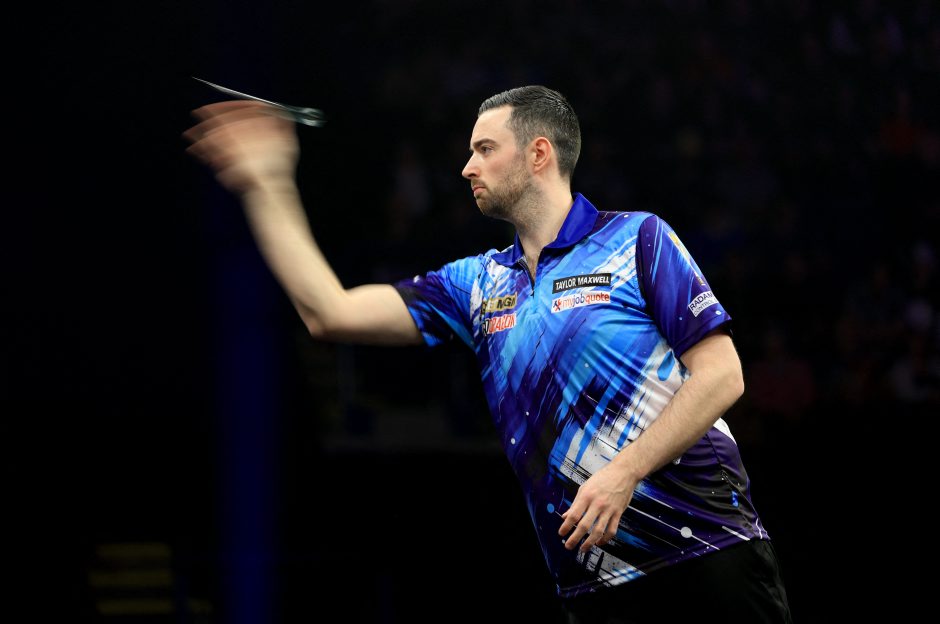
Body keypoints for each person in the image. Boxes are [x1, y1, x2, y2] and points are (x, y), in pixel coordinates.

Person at [184, 85, 792, 623]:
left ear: (538, 154)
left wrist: (623, 472)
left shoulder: (636, 239)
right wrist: (266, 183)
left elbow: (723, 376)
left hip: (707, 551)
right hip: (592, 583)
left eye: (484, 148)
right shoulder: (476, 284)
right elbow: (329, 312)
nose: (466, 166)